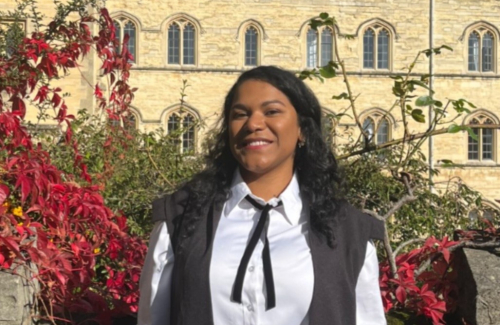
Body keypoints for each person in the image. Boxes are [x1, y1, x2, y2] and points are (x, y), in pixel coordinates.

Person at [138, 66, 387, 325]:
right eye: (240, 114)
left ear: (302, 129)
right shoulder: (180, 220)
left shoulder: (347, 231)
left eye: (272, 112)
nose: (254, 124)